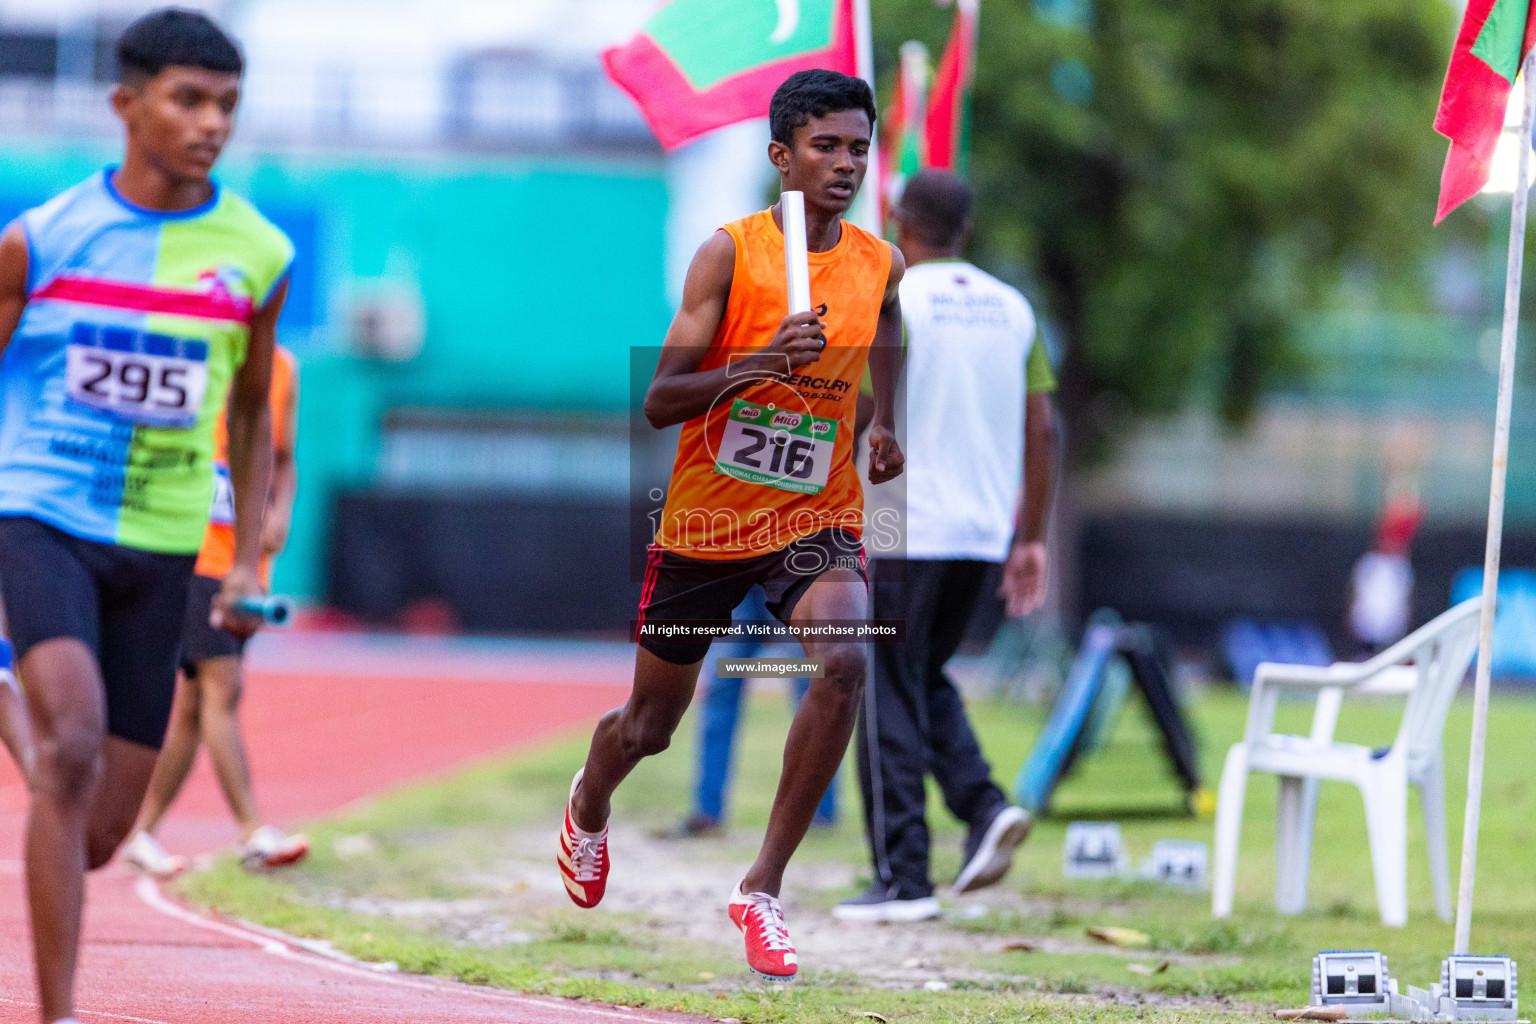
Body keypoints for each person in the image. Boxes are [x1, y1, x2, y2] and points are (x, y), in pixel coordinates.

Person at [559, 69, 904, 981]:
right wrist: (755, 365)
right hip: (708, 525)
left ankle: (762, 889)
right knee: (649, 726)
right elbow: (659, 400)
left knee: (845, 661)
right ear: (780, 156)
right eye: (826, 147)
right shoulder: (729, 255)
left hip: (817, 517)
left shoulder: (880, 262)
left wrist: (886, 423)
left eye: (858, 148)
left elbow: (892, 325)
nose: (845, 164)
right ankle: (590, 802)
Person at [0, 11, 290, 1023]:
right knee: (71, 748)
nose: (210, 123)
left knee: (89, 831)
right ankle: (58, 1012)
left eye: (225, 105)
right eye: (187, 98)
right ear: (126, 103)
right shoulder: (40, 241)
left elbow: (251, 410)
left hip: (165, 544)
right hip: (40, 515)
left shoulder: (257, 252)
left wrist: (249, 559)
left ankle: (6, 700)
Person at [835, 170, 1058, 923]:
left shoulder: (888, 298)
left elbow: (857, 409)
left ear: (898, 219)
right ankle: (984, 805)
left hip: (904, 521)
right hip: (984, 530)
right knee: (920, 674)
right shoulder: (1015, 309)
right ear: (966, 227)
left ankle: (903, 880)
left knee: (883, 686)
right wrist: (1030, 540)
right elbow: (1045, 429)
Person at [122, 345, 306, 877]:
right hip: (193, 555)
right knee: (223, 687)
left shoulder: (284, 369)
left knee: (194, 704)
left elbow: (285, 456)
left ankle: (143, 834)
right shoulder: (195, 350)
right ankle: (252, 830)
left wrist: (281, 513)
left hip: (247, 562)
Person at [670, 588, 837, 838]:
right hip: (742, 571)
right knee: (720, 683)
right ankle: (707, 814)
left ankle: (818, 813)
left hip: (792, 569)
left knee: (810, 683)